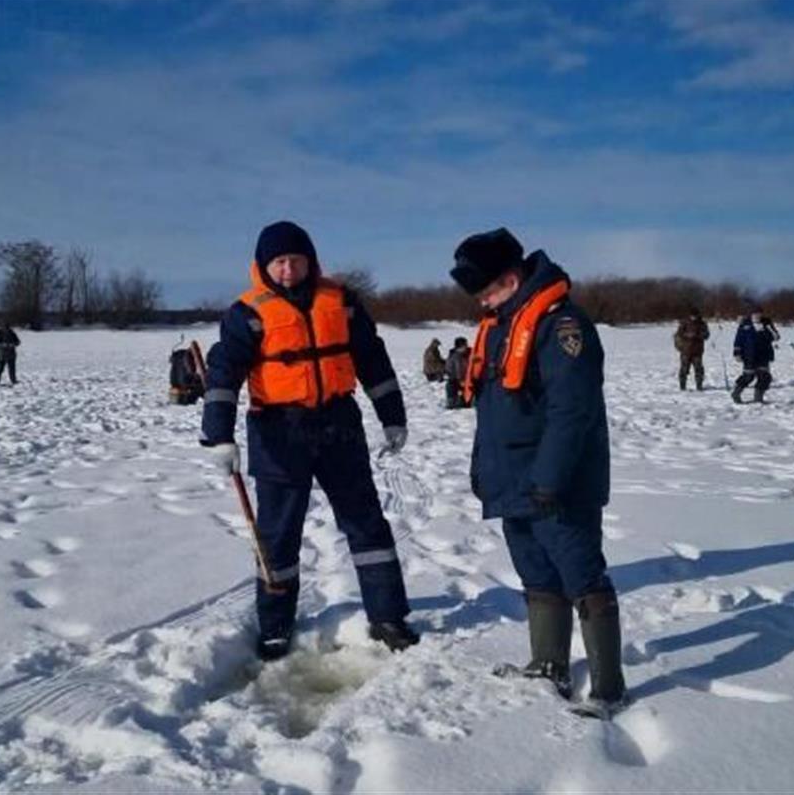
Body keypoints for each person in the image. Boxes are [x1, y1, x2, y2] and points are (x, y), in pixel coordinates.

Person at [200, 220, 419, 661]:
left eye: (295, 260)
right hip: (278, 433)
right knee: (279, 536)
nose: (288, 269)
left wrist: (392, 416)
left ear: (310, 261)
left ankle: (388, 616)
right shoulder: (246, 314)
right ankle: (276, 626)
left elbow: (372, 360)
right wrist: (218, 435)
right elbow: (224, 376)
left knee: (366, 524)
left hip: (339, 425)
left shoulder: (342, 302)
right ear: (264, 266)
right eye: (279, 261)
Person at [449, 227, 628, 719]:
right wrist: (483, 470)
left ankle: (609, 688)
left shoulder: (561, 323)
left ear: (511, 277)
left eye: (487, 291)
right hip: (514, 481)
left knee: (581, 575)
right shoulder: (501, 322)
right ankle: (549, 665)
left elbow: (573, 411)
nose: (483, 301)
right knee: (537, 575)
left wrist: (550, 478)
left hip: (559, 483)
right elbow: (494, 410)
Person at [732, 304, 776, 403]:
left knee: (764, 377)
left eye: (759, 314)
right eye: (755, 314)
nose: (757, 316)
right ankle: (736, 393)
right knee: (748, 376)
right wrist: (737, 353)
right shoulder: (744, 324)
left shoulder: (767, 323)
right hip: (749, 355)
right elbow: (738, 339)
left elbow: (776, 337)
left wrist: (765, 330)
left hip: (763, 355)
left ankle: (758, 398)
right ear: (751, 314)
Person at [673, 307, 710, 390]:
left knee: (699, 370)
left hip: (697, 351)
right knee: (684, 370)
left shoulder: (702, 323)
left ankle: (699, 386)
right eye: (692, 315)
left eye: (695, 315)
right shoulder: (684, 323)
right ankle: (682, 386)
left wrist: (699, 335)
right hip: (685, 351)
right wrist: (688, 335)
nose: (694, 317)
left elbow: (707, 335)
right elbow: (679, 334)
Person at [444, 337, 471, 409]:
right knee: (450, 385)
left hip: (469, 379)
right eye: (463, 346)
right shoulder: (453, 357)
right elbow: (449, 370)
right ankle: (452, 401)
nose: (465, 347)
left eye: (465, 345)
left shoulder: (470, 354)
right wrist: (459, 380)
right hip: (456, 380)